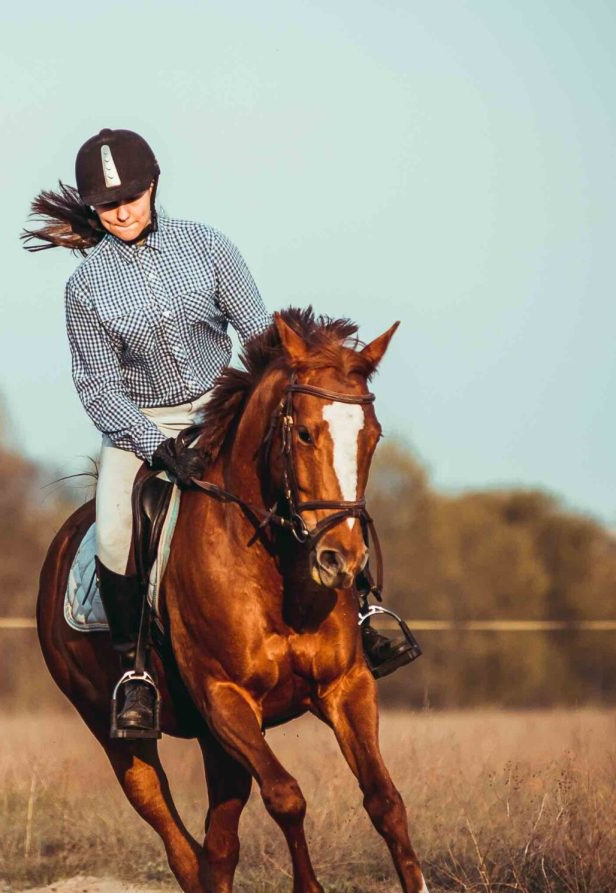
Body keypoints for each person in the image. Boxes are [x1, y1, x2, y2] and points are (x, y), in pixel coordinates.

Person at [23, 128, 416, 738]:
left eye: (131, 196)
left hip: (220, 406)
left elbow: (258, 336)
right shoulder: (86, 286)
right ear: (95, 208)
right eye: (107, 204)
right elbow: (98, 386)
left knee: (309, 476)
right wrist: (152, 443)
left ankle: (367, 611)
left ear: (153, 186)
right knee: (115, 529)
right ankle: (134, 675)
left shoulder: (208, 247)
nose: (122, 211)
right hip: (142, 424)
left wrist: (284, 390)